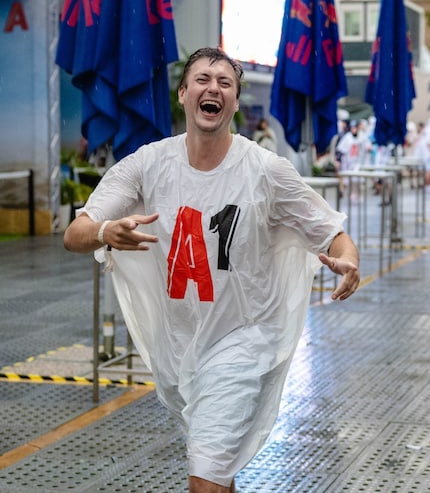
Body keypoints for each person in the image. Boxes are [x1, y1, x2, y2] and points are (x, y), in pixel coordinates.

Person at [63, 47, 360, 493]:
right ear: (183, 94)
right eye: (202, 79)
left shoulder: (265, 170)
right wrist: (106, 230)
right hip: (180, 344)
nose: (213, 88)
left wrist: (348, 261)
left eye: (225, 83)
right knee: (216, 468)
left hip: (244, 339)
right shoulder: (148, 163)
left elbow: (330, 230)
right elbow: (75, 232)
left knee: (205, 475)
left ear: (235, 103)